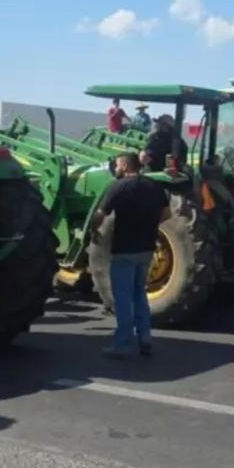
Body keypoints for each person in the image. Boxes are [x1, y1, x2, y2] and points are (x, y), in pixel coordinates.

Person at [91, 152, 170, 358]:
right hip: (146, 250)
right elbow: (167, 213)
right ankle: (145, 337)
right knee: (140, 295)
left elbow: (100, 214)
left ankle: (123, 343)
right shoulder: (154, 186)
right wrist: (150, 225)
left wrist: (93, 231)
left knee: (123, 298)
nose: (116, 168)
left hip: (124, 249)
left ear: (125, 166)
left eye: (117, 164)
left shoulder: (117, 187)